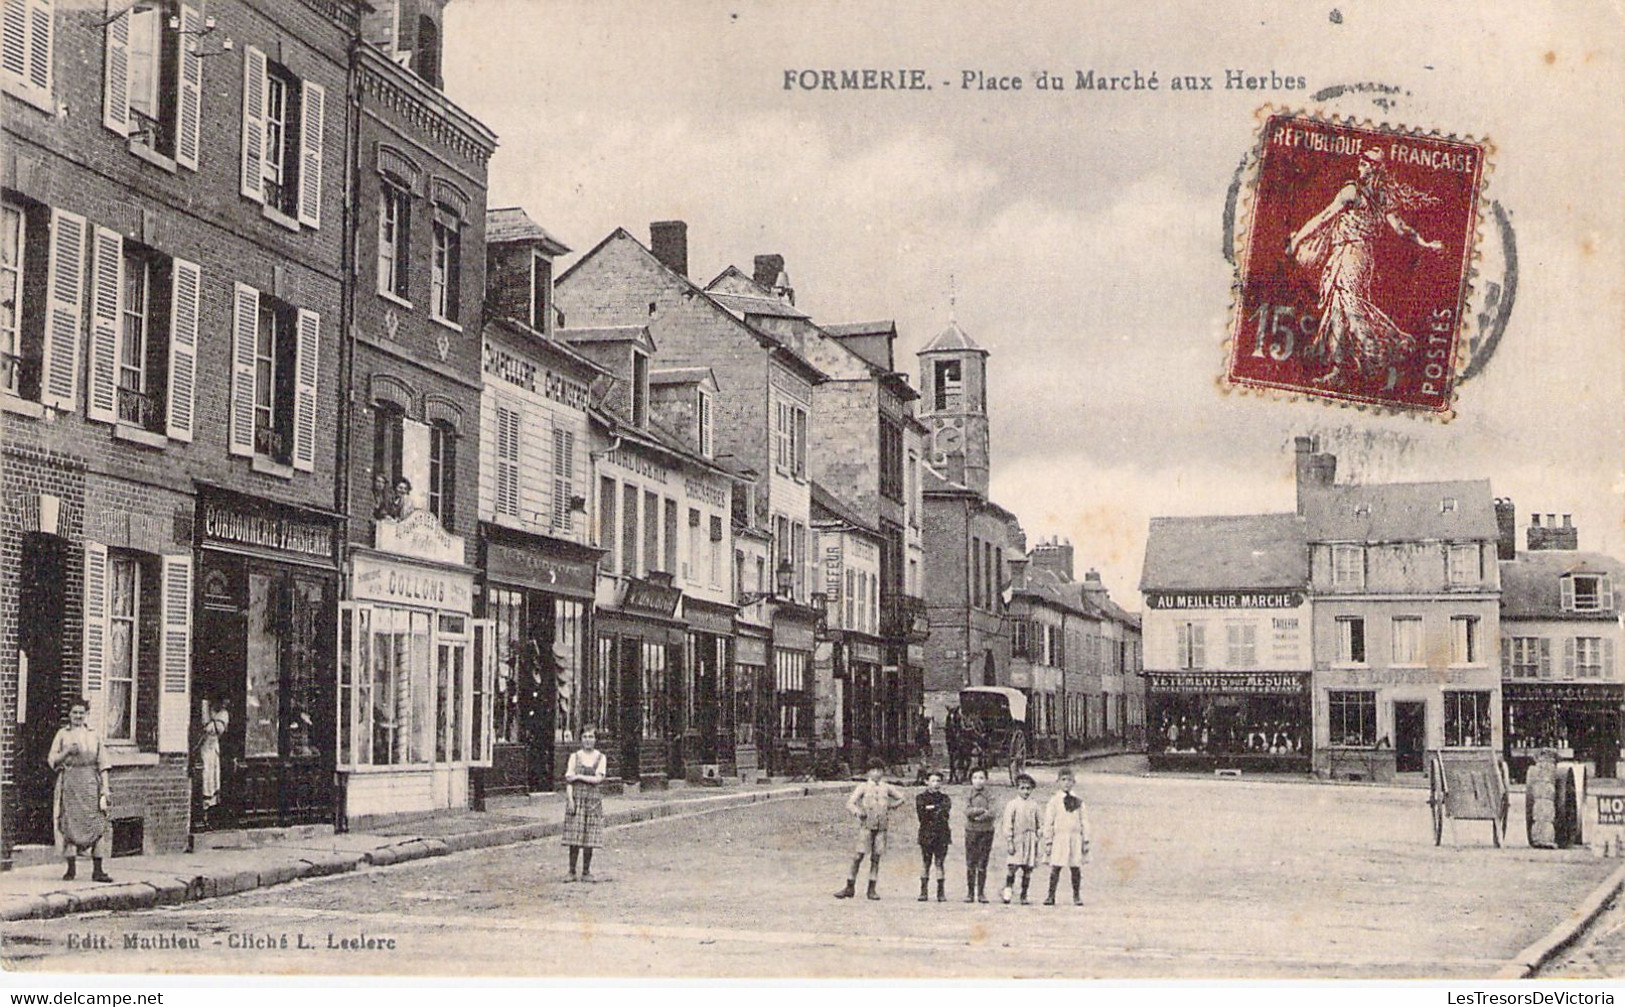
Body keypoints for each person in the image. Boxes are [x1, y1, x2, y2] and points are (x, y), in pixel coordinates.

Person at [1286, 147, 1445, 388]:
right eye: (1361, 159)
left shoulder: (1352, 192)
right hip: (1360, 257)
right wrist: (1425, 243)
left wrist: (1296, 241)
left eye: (1366, 161)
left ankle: (1379, 354)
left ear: (1374, 167)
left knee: (1348, 309)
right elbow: (1402, 229)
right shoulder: (1383, 198)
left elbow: (1323, 217)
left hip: (1350, 254)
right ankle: (1342, 368)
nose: (1360, 163)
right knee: (1339, 309)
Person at [48, 699, 113, 883]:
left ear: (86, 715)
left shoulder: (93, 735)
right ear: (69, 714)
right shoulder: (62, 734)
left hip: (90, 783)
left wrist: (105, 788)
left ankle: (98, 870)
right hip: (70, 783)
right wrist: (67, 751)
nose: (77, 716)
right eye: (74, 712)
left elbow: (103, 763)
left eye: (81, 713)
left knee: (97, 823)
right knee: (69, 824)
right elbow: (52, 761)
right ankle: (71, 869)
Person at [834, 759, 905, 901]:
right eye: (873, 770)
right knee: (858, 855)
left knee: (876, 857)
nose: (877, 773)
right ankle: (849, 886)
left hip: (882, 827)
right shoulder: (863, 787)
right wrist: (858, 812)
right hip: (867, 825)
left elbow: (901, 798)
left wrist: (891, 806)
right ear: (868, 772)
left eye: (879, 770)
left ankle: (871, 889)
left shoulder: (887, 787)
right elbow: (850, 803)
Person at [561, 726, 607, 882]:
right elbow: (568, 779)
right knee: (574, 835)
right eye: (585, 737)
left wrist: (578, 776)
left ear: (595, 739)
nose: (588, 740)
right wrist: (570, 800)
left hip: (593, 800)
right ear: (581, 739)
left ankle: (586, 871)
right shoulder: (575, 757)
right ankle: (571, 871)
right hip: (577, 798)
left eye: (591, 737)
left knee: (590, 836)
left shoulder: (601, 758)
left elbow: (598, 779)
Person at [1041, 767, 1091, 906]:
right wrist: (1048, 840)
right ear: (1058, 782)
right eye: (1063, 780)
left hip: (1075, 838)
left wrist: (1085, 839)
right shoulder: (1054, 801)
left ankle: (1076, 895)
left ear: (1074, 782)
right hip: (1060, 838)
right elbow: (1049, 821)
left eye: (1069, 780)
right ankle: (1050, 896)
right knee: (1056, 866)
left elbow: (1084, 821)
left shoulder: (1079, 801)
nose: (1067, 783)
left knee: (1075, 866)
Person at [998, 773, 1042, 904]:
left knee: (1028, 869)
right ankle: (1008, 892)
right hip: (1017, 839)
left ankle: (1024, 895)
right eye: (1022, 788)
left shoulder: (1035, 805)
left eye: (1028, 788)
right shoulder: (1012, 804)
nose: (1025, 791)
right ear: (1017, 789)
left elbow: (1041, 823)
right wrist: (1010, 841)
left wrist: (1038, 835)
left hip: (1030, 840)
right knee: (1013, 867)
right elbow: (1007, 823)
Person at [915, 770, 952, 903]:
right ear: (926, 782)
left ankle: (940, 893)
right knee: (925, 862)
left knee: (939, 863)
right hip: (926, 833)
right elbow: (922, 815)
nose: (936, 784)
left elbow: (945, 813)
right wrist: (935, 809)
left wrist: (931, 809)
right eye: (933, 781)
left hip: (942, 834)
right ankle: (923, 891)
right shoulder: (920, 797)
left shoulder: (945, 798)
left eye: (938, 781)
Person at [962, 767, 996, 902]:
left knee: (983, 862)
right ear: (971, 780)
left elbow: (993, 812)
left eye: (981, 778)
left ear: (986, 780)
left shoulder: (990, 795)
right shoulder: (968, 794)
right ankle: (970, 893)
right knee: (971, 862)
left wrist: (981, 816)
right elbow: (966, 810)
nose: (978, 781)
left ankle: (981, 893)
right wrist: (979, 810)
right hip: (971, 831)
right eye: (975, 778)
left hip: (986, 831)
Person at [198, 697, 230, 813]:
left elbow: (214, 729)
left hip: (213, 749)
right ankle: (204, 808)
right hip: (205, 748)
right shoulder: (208, 709)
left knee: (212, 775)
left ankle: (211, 807)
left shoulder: (223, 714)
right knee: (205, 774)